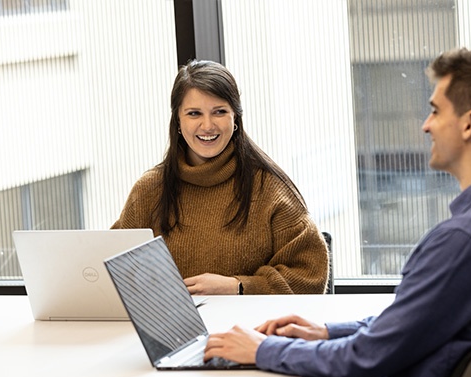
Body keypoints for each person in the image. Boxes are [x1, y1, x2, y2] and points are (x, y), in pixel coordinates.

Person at [203, 48, 471, 377]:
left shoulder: (464, 241)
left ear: (469, 123)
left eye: (436, 110)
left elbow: (365, 359)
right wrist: (326, 332)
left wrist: (260, 349)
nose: (426, 124)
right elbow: (413, 325)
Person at [112, 60, 329, 295]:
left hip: (252, 328)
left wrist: (239, 287)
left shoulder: (270, 189)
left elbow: (309, 276)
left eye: (219, 112)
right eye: (194, 113)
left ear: (235, 118)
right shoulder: (150, 190)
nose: (207, 125)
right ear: (177, 120)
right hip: (170, 329)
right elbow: (110, 269)